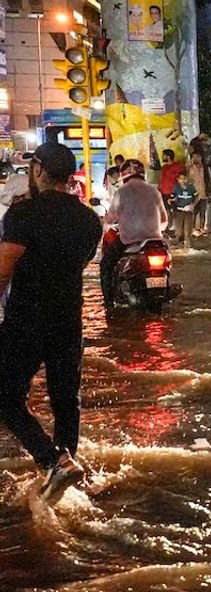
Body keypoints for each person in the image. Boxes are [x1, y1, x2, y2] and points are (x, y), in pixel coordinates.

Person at [0, 142, 102, 504]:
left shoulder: (22, 214)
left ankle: (50, 460)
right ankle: (67, 468)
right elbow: (79, 263)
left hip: (25, 320)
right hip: (67, 322)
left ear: (39, 170)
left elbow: (5, 267)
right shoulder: (89, 220)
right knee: (65, 401)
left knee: (6, 398)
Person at [102, 159, 166, 308]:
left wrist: (104, 220)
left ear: (123, 175)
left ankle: (109, 304)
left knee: (105, 265)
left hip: (128, 240)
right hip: (155, 241)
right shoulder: (154, 191)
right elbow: (164, 220)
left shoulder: (121, 192)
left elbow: (111, 218)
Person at [171, 169, 198, 247]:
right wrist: (173, 201)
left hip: (189, 212)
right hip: (179, 211)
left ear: (187, 179)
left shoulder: (191, 187)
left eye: (184, 179)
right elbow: (172, 198)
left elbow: (197, 196)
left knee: (188, 232)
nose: (183, 181)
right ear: (178, 180)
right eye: (181, 179)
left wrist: (193, 205)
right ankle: (178, 243)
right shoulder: (176, 188)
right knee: (178, 232)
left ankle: (188, 246)